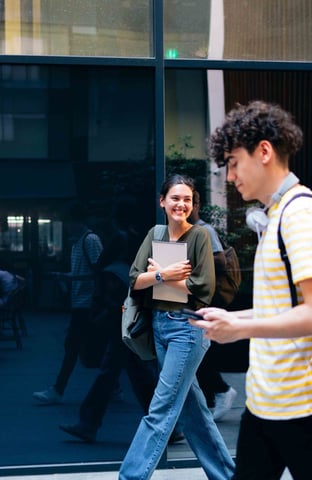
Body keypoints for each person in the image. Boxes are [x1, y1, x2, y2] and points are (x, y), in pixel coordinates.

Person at [192, 100, 312, 480]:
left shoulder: (302, 216)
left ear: (263, 151)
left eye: (232, 162)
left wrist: (240, 329)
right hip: (266, 401)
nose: (230, 176)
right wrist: (233, 316)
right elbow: (279, 305)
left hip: (303, 405)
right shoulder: (278, 215)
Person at [118, 174, 235, 480]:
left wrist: (163, 275)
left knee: (161, 408)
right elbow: (135, 278)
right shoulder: (155, 233)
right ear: (162, 201)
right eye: (175, 198)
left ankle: (129, 477)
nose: (181, 204)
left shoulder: (199, 236)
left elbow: (203, 289)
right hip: (159, 325)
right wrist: (164, 274)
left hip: (187, 328)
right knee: (193, 412)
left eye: (187, 199)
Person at [58, 199, 159, 443]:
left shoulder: (120, 238)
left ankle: (89, 422)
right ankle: (165, 423)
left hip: (119, 308)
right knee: (133, 370)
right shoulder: (143, 238)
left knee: (114, 368)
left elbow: (101, 265)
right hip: (132, 308)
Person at [33, 202, 103, 405]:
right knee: (94, 347)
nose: (66, 226)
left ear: (76, 221)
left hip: (87, 302)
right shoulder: (79, 243)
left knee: (73, 346)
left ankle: (58, 389)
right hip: (82, 302)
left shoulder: (90, 241)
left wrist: (69, 279)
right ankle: (113, 385)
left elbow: (98, 273)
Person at [189, 189, 238, 421]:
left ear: (196, 204)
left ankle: (222, 390)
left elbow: (219, 259)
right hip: (196, 297)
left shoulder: (205, 230)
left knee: (201, 352)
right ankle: (214, 394)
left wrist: (193, 261)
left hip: (208, 298)